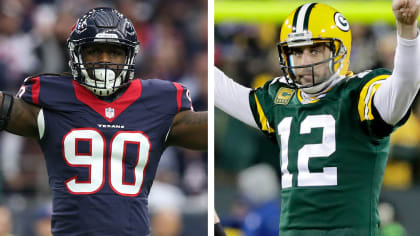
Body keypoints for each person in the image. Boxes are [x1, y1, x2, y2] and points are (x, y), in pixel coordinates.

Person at [215, 0, 419, 235]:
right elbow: (222, 89)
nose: (304, 62)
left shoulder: (357, 93)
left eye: (314, 50)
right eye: (297, 51)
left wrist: (407, 32)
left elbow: (404, 87)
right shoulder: (281, 99)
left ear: (339, 51)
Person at [1, 7, 207, 235]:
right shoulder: (54, 96)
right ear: (78, 54)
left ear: (129, 55)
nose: (104, 60)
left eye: (114, 52)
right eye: (94, 51)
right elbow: (6, 109)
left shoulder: (156, 100)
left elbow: (207, 129)